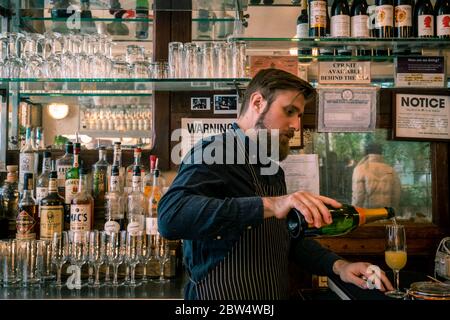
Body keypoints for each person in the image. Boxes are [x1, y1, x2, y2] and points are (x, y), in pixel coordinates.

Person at [158, 68, 394, 300]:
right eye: (289, 111)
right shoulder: (215, 151)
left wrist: (338, 266)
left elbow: (285, 239)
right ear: (258, 102)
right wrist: (271, 204)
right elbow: (170, 217)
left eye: (299, 115)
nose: (296, 125)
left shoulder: (272, 170)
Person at [352, 142, 401, 212]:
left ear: (366, 153)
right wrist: (392, 210)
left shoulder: (359, 169)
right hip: (385, 214)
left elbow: (358, 197)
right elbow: (396, 195)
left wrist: (354, 215)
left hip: (367, 215)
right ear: (381, 153)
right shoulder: (391, 170)